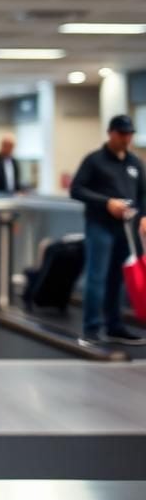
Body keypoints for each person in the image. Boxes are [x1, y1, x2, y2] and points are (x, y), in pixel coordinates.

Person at [70, 114, 146, 344]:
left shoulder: (135, 163)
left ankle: (115, 325)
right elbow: (76, 189)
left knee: (118, 278)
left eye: (129, 134)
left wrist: (143, 216)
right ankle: (91, 328)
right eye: (122, 134)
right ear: (111, 133)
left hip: (126, 228)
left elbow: (143, 193)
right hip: (100, 225)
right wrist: (106, 203)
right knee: (97, 276)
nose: (126, 139)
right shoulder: (94, 160)